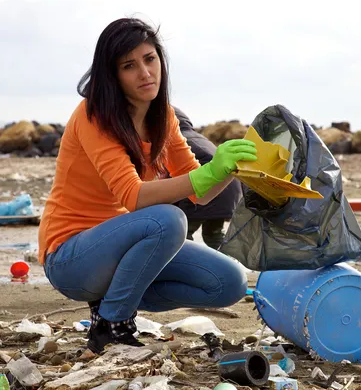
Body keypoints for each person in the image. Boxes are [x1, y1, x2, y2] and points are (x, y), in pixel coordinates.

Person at [38, 17, 257, 354]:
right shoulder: (94, 115)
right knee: (169, 220)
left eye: (150, 59)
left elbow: (202, 194)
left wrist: (230, 169)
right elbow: (134, 195)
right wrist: (208, 171)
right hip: (71, 258)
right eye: (129, 65)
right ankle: (111, 325)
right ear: (113, 76)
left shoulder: (162, 117)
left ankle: (114, 303)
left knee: (230, 282)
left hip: (125, 253)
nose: (145, 73)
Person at [172, 107, 243, 250]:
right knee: (213, 234)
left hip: (206, 188)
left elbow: (174, 178)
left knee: (183, 233)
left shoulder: (177, 141)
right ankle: (231, 260)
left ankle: (188, 265)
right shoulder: (199, 138)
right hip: (229, 188)